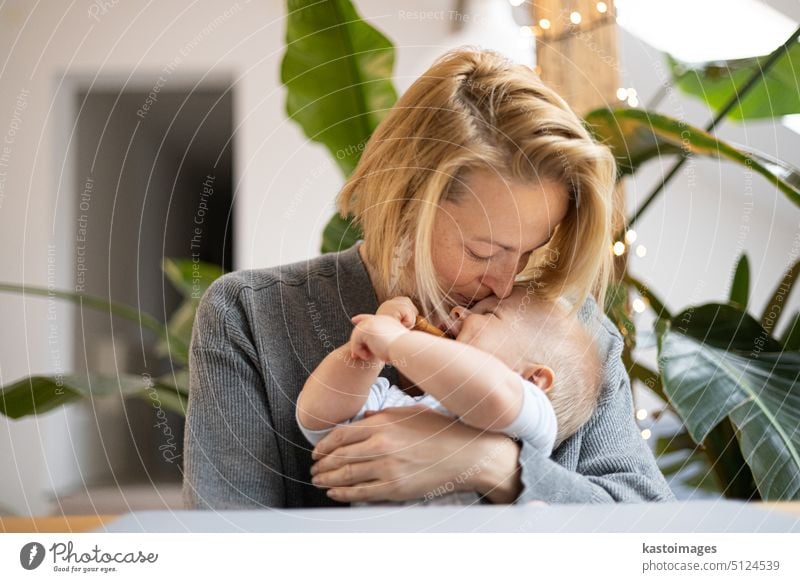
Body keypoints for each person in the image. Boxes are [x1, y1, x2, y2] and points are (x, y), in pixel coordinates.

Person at [183, 47, 675, 509]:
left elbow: (648, 534)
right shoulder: (252, 316)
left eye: (529, 251)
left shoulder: (574, 333)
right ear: (407, 204)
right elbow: (227, 543)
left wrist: (494, 466)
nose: (506, 284)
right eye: (483, 251)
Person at [295, 288, 604, 506]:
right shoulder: (400, 404)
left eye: (489, 313)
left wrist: (397, 343)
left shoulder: (527, 418)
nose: (460, 311)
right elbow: (319, 418)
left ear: (533, 378)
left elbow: (492, 393)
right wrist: (365, 353)